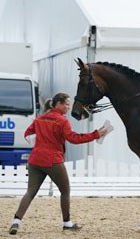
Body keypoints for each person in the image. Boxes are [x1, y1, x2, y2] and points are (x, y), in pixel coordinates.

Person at [9, 92, 107, 235]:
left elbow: (27, 134)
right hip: (53, 159)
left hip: (35, 159)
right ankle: (67, 223)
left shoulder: (40, 118)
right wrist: (95, 135)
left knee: (30, 192)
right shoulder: (62, 121)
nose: (68, 107)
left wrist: (39, 144)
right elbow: (73, 138)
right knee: (65, 190)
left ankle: (16, 222)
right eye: (67, 104)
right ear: (58, 104)